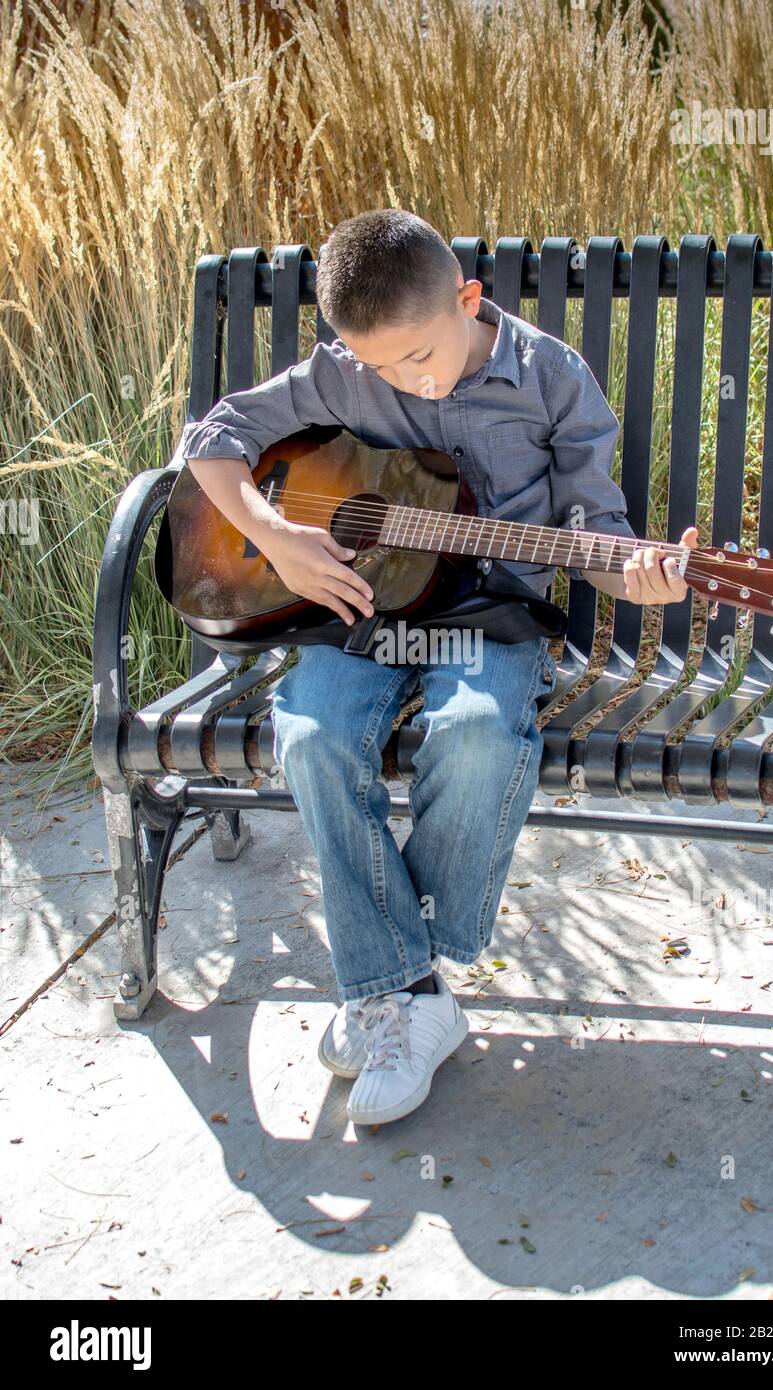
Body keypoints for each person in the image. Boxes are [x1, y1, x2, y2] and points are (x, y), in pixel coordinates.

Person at [171, 208, 698, 1126]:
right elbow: (211, 439)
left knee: (478, 732)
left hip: (492, 616)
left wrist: (641, 581)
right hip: (359, 606)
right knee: (312, 730)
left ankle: (393, 984)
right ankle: (411, 995)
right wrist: (278, 536)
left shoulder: (550, 378)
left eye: (416, 357)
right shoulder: (346, 369)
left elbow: (592, 530)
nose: (400, 382)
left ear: (468, 298)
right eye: (377, 367)